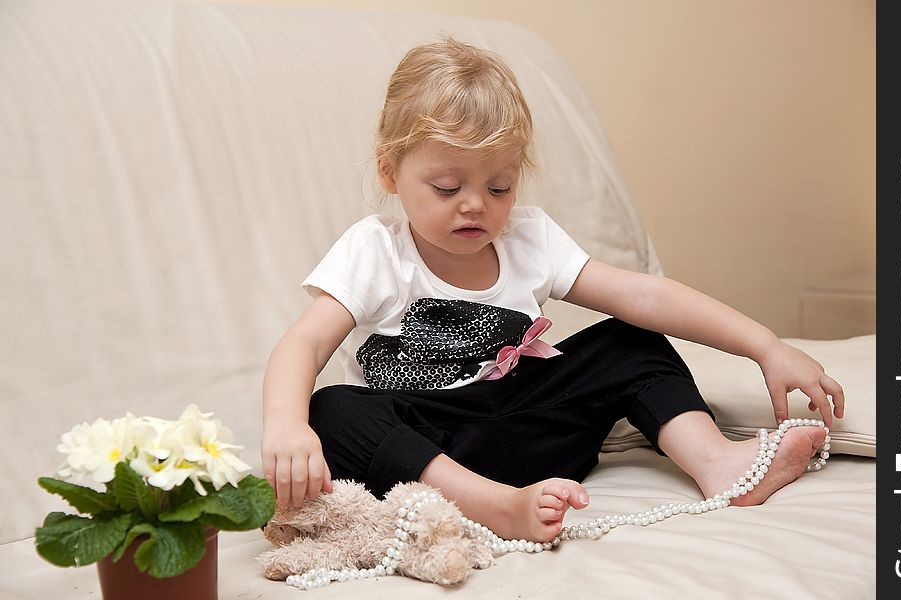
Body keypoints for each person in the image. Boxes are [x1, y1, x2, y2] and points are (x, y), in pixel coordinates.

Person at [261, 37, 845, 543]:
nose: (475, 205)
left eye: (499, 186)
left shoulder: (528, 238)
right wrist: (287, 424)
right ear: (391, 173)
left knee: (629, 339)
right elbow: (304, 346)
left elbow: (642, 295)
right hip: (432, 445)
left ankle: (718, 463)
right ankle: (492, 506)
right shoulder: (377, 250)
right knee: (332, 408)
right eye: (446, 187)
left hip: (531, 426)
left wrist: (764, 344)